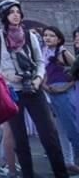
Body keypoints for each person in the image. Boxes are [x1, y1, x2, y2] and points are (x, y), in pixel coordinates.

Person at [0, 0, 69, 178]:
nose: (16, 14)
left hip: (34, 88)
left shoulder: (29, 36)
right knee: (20, 138)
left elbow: (39, 61)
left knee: (49, 134)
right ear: (3, 16)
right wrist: (6, 76)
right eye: (11, 12)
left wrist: (38, 78)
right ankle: (28, 174)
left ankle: (61, 173)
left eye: (17, 11)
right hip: (12, 91)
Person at [42, 26, 79, 172]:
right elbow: (43, 73)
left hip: (64, 94)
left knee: (72, 129)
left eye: (51, 35)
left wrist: (66, 86)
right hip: (50, 94)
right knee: (61, 130)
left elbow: (76, 70)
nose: (48, 38)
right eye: (45, 35)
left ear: (58, 39)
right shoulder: (44, 52)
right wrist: (44, 86)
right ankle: (68, 161)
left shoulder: (63, 52)